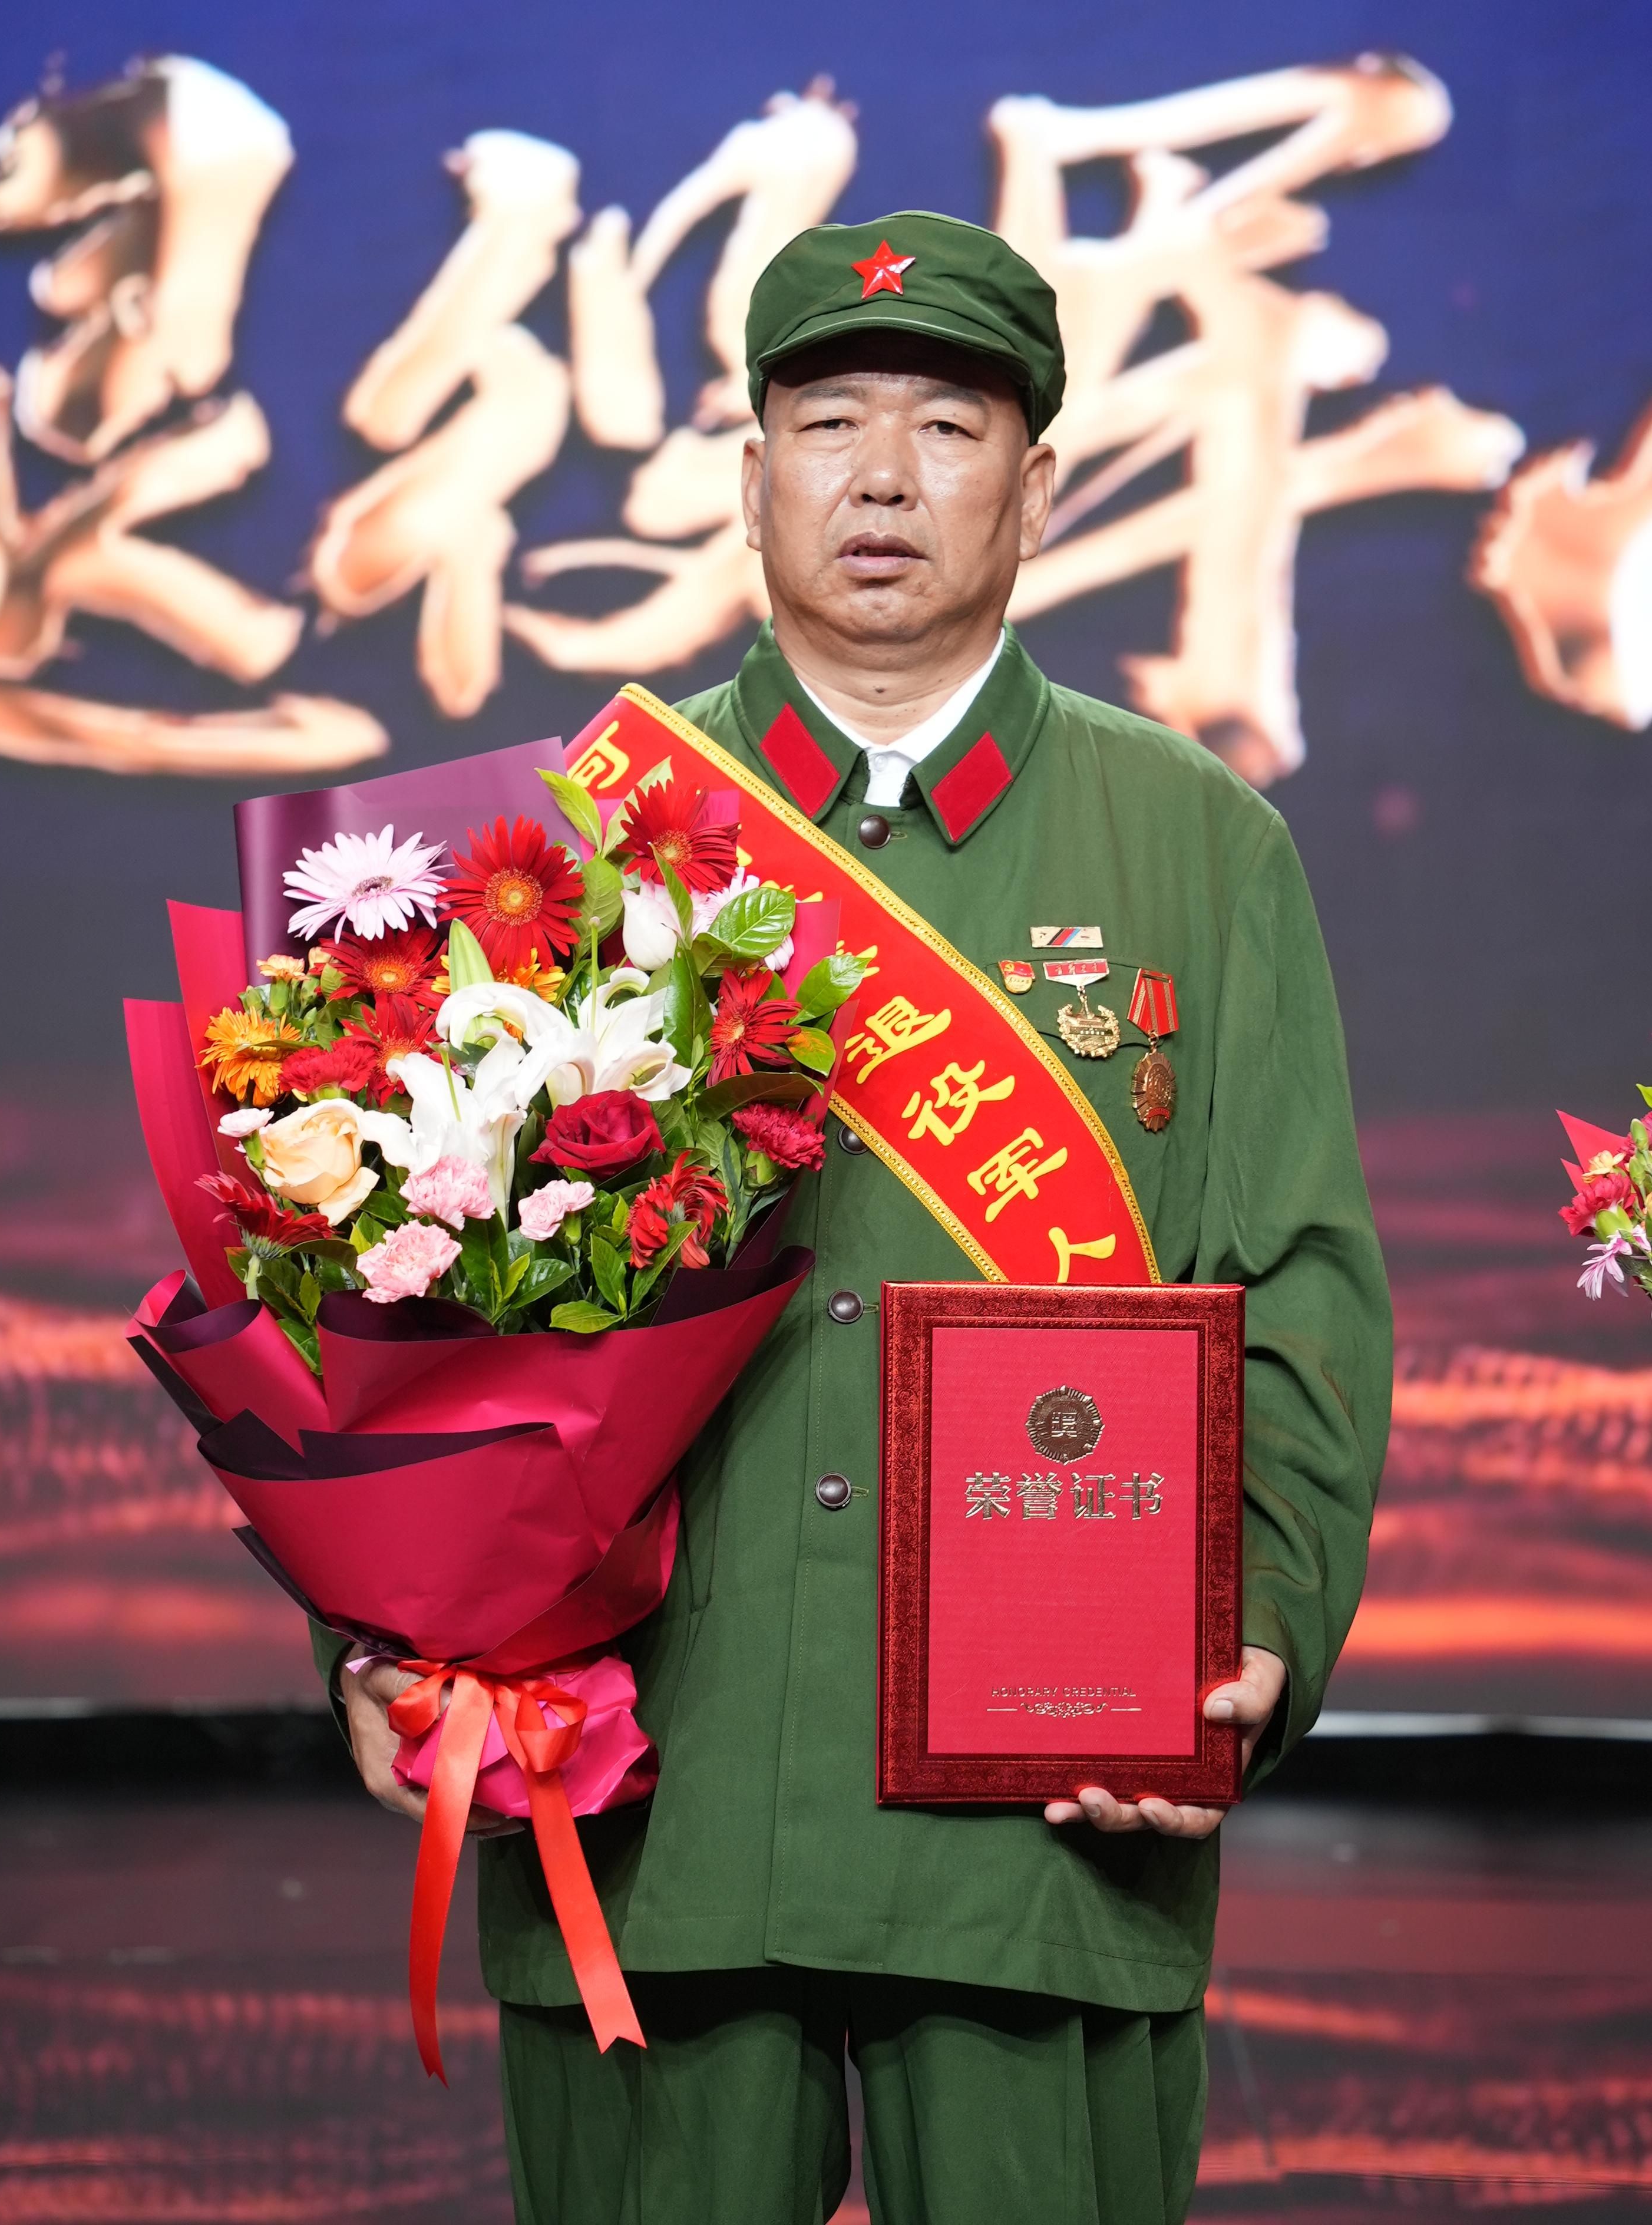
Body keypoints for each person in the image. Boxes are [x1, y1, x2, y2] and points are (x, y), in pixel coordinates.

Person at [321, 210, 1390, 2224]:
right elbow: (396, 1279)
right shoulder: (574, 842)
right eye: (828, 425)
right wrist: (385, 1637)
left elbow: (1299, 1293)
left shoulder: (1199, 847)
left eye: (949, 429)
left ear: (1038, 491)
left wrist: (1251, 1627)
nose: (882, 477)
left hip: (1048, 1807)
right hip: (652, 1777)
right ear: (752, 481)